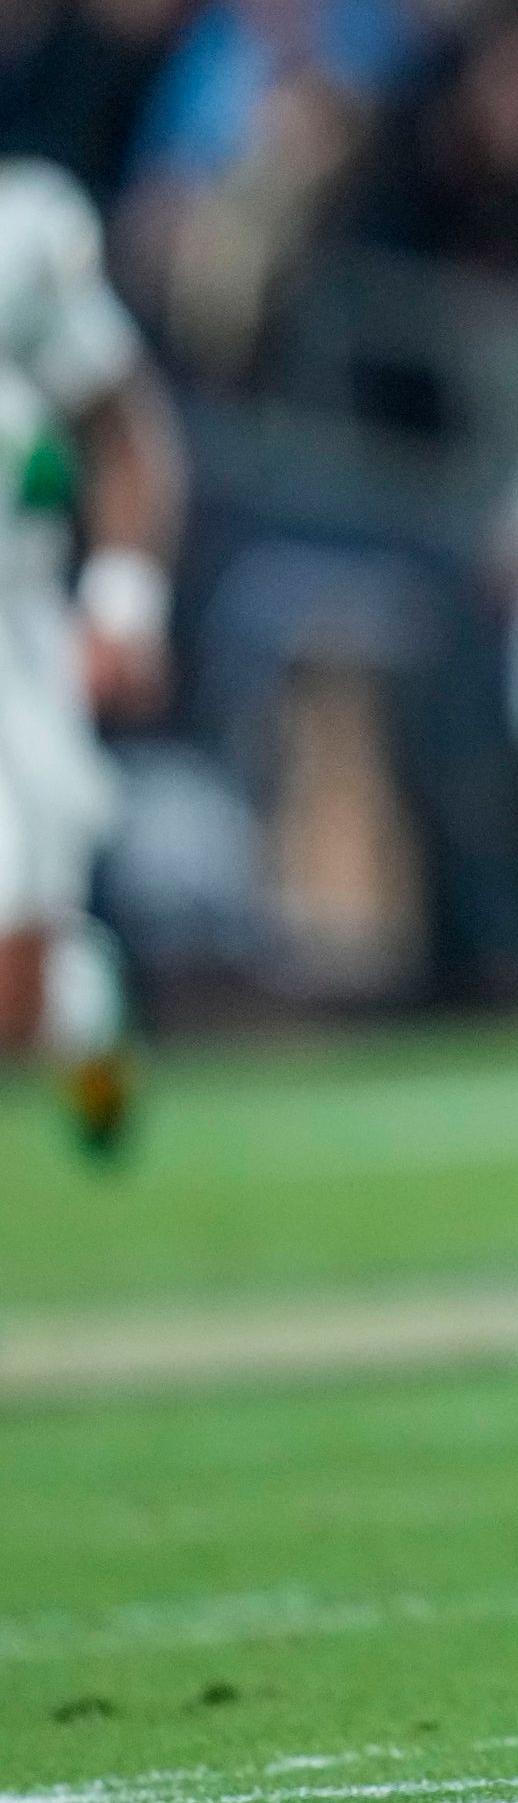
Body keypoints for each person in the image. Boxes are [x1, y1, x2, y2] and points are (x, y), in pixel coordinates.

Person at [0, 161, 185, 1158]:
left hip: (9, 643)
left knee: (11, 1000)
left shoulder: (18, 235)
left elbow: (125, 430)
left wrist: (123, 604)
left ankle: (79, 1004)